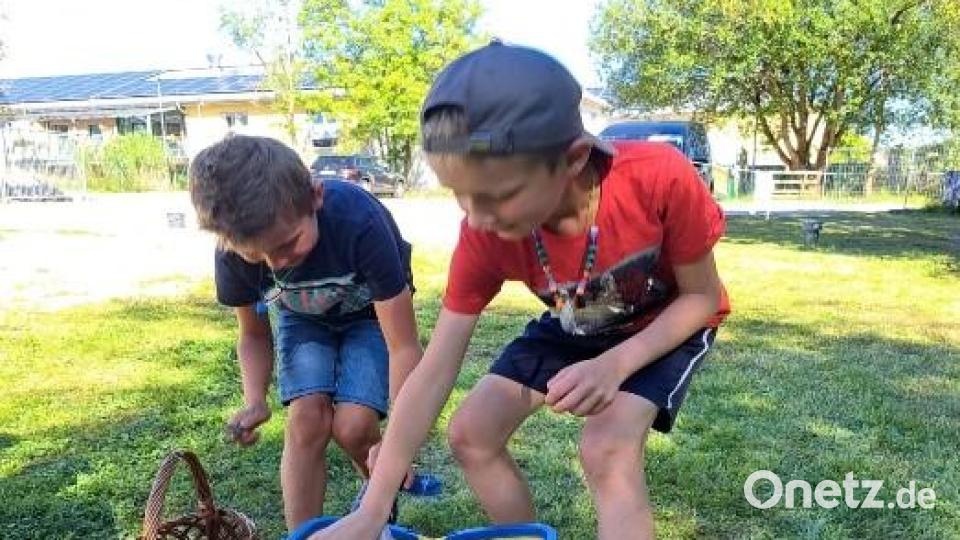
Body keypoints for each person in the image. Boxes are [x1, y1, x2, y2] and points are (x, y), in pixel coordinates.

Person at [314, 41, 730, 540]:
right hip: (576, 321)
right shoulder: (483, 233)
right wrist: (372, 508)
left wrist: (614, 365)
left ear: (573, 159)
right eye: (460, 196)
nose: (477, 217)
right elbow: (436, 367)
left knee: (606, 448)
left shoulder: (658, 177)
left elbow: (702, 298)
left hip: (665, 324)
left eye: (499, 196)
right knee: (472, 433)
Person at [188, 135, 422, 530]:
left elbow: (404, 346)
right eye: (256, 256)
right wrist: (254, 400)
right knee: (306, 421)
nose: (275, 263)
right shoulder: (231, 252)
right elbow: (254, 334)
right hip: (303, 318)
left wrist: (399, 442)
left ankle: (379, 510)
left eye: (287, 244)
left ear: (314, 196)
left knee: (354, 426)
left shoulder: (359, 222)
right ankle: (304, 534)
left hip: (370, 316)